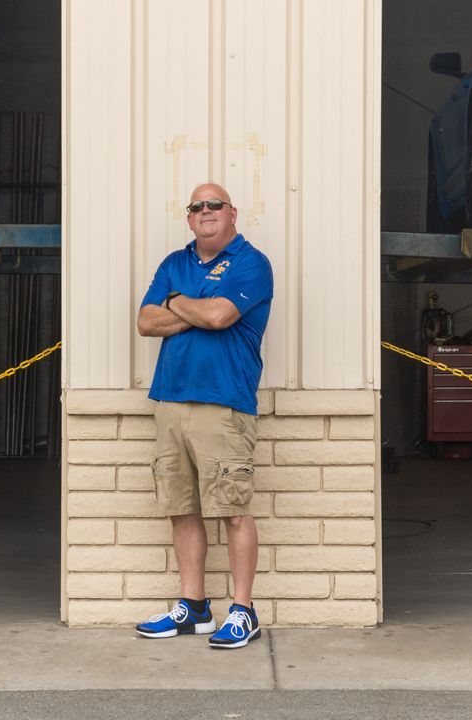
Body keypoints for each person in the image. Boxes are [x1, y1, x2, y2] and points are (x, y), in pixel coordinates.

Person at [133, 183, 273, 649]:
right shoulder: (174, 263)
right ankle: (193, 610)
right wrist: (193, 308)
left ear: (232, 213)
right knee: (182, 509)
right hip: (171, 400)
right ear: (189, 218)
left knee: (232, 510)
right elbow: (145, 322)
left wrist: (175, 302)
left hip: (223, 403)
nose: (206, 211)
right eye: (198, 206)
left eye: (215, 204)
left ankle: (244, 610)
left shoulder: (252, 263)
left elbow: (219, 316)